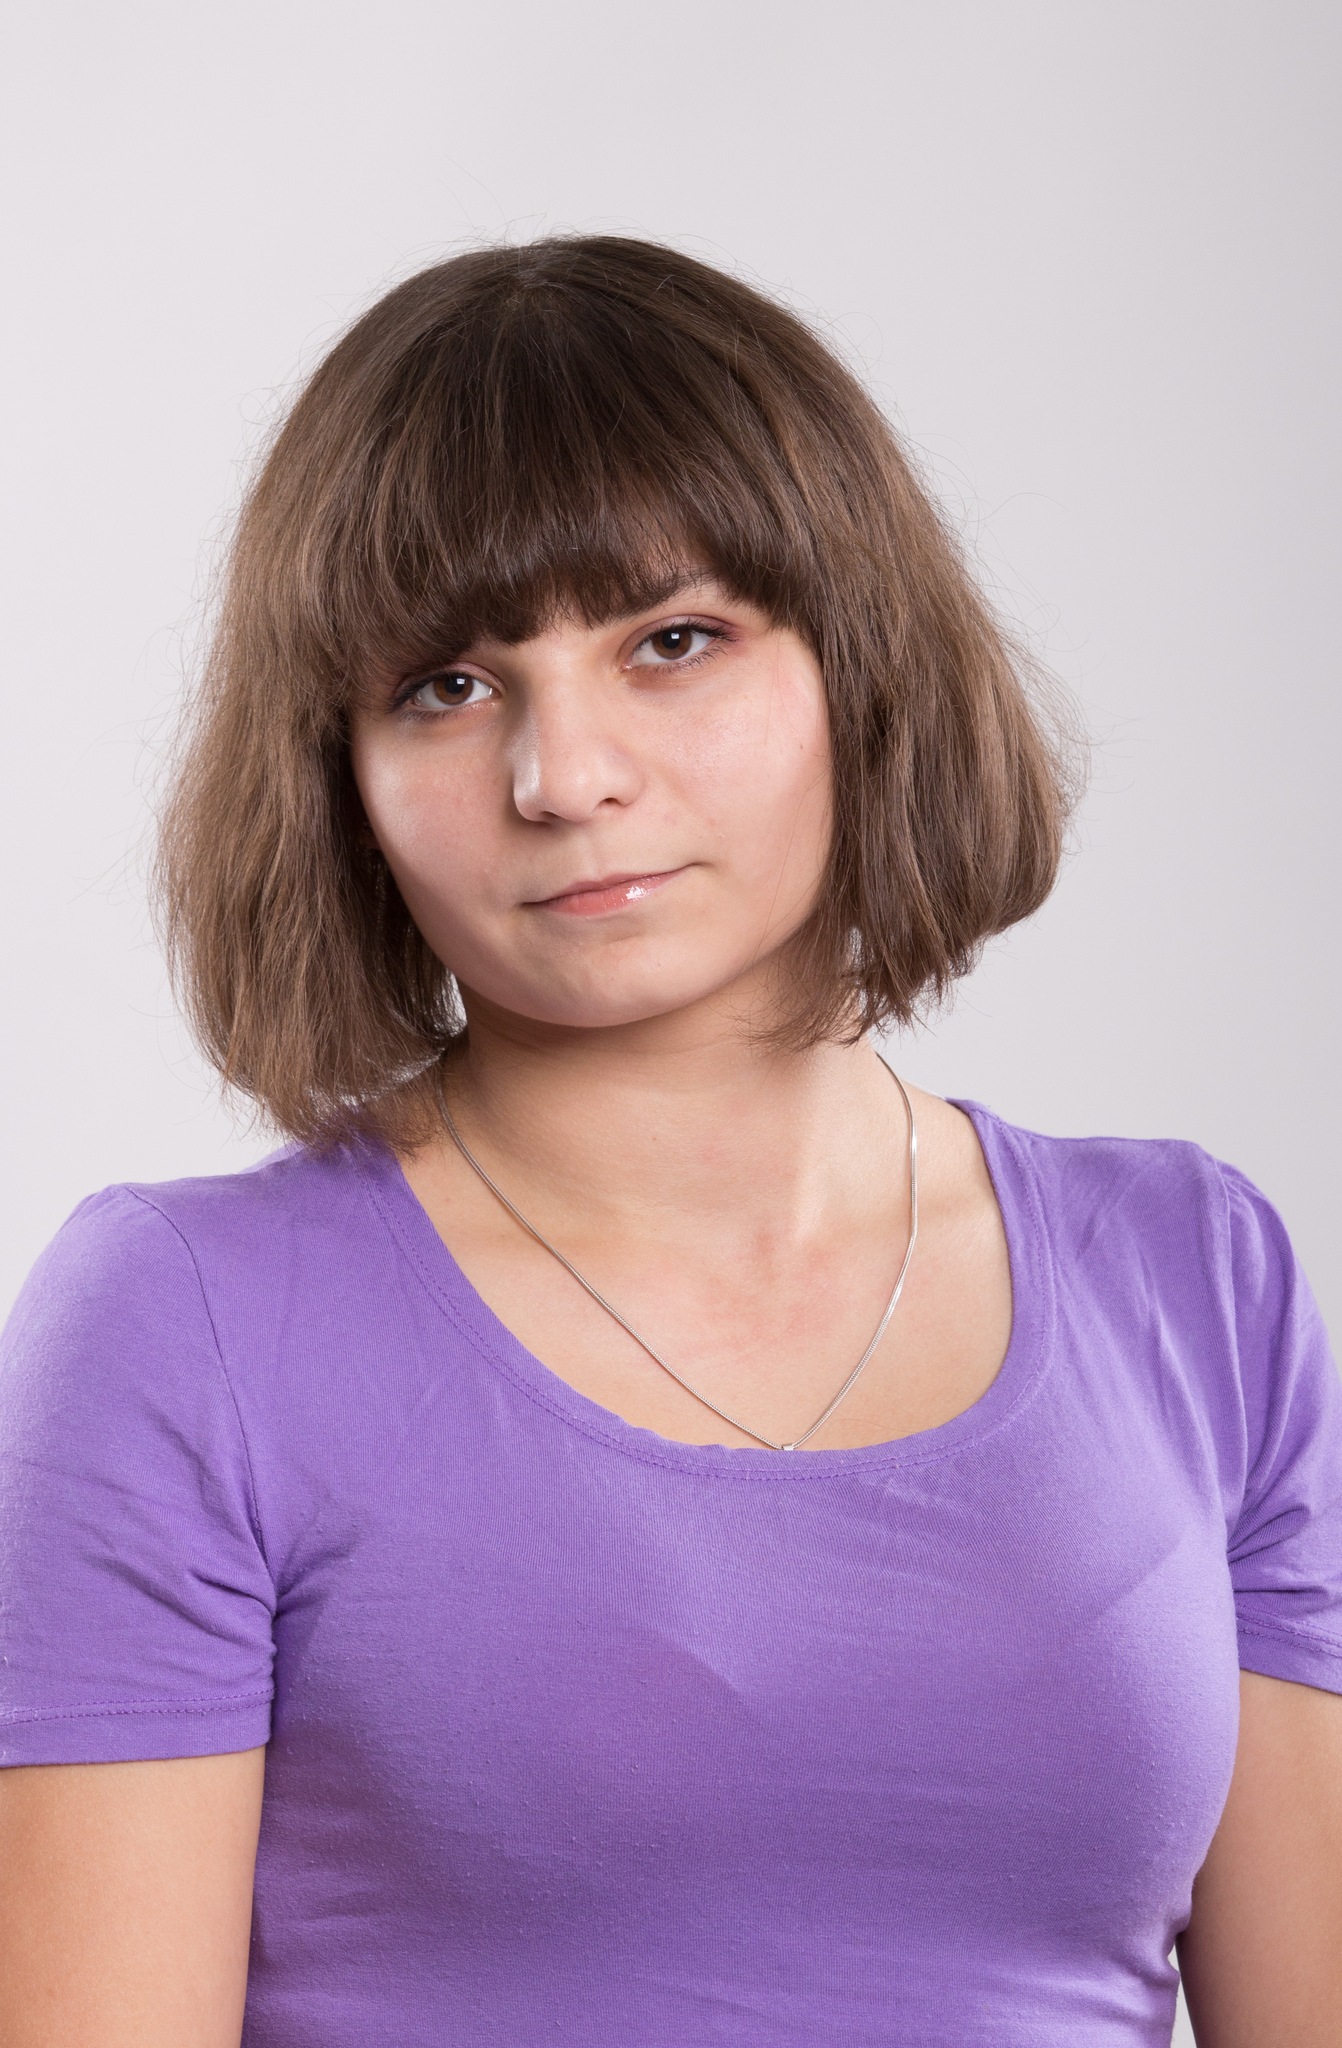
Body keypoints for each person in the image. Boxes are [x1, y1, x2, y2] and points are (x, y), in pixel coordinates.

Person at [0, 235, 1339, 2048]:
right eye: (446, 686)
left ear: (859, 662)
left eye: (673, 641)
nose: (563, 777)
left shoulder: (1193, 1274)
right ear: (340, 776)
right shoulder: (184, 1324)